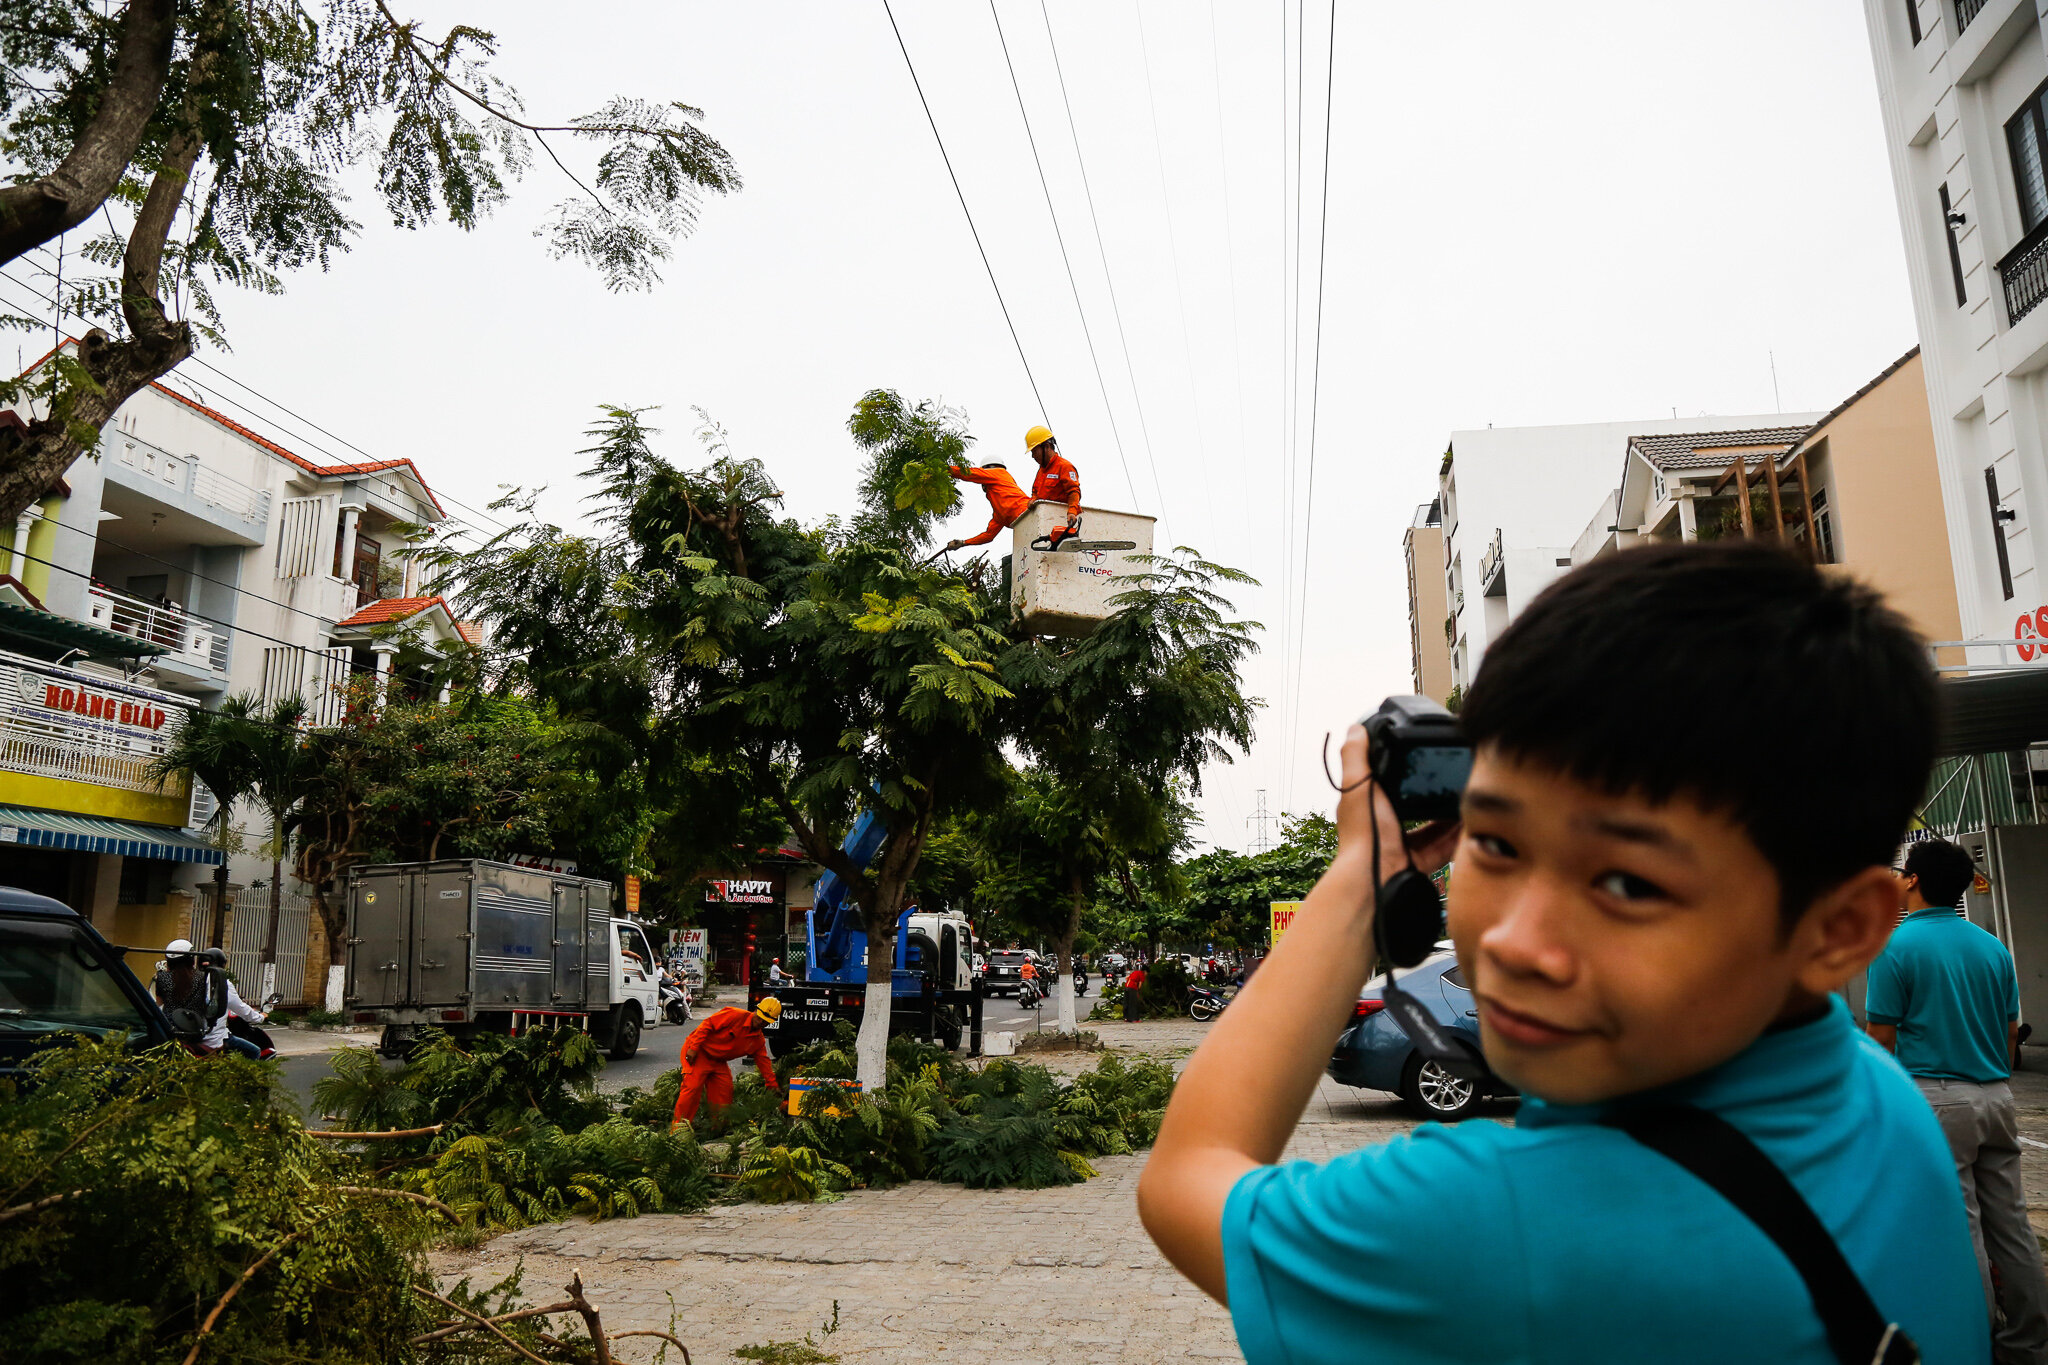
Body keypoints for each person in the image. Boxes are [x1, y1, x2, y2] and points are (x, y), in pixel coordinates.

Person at [1136, 541, 1985, 1363]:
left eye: (1625, 884)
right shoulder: (1883, 1105)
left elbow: (1186, 1179)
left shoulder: (1504, 1219)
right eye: (1497, 846)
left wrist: (1361, 874)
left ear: (1837, 930)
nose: (1512, 941)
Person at [1868, 837, 2048, 1362]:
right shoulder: (1993, 948)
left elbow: (1881, 1040)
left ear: (1914, 881)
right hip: (1996, 1094)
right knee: (2011, 1225)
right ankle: (2029, 1344)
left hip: (1936, 1100)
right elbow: (2011, 1032)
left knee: (1960, 1224)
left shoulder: (1895, 948)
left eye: (1903, 874)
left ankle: (1972, 1340)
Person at [672, 997, 783, 1127]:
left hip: (718, 1061)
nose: (760, 1022)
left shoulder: (758, 1041)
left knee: (724, 1093)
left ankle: (717, 1128)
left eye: (765, 1022)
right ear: (756, 1010)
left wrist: (773, 1085)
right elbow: (707, 1024)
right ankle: (678, 1129)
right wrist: (694, 1048)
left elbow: (764, 1063)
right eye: (759, 1017)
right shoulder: (734, 1014)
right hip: (699, 1053)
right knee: (692, 1089)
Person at [153, 938, 230, 1056]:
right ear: (191, 959)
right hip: (194, 1031)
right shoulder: (203, 977)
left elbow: (158, 1003)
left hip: (168, 1030)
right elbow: (208, 1002)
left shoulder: (161, 978)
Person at [202, 946, 276, 1060]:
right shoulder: (223, 984)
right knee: (255, 1052)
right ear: (222, 965)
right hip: (214, 1038)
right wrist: (260, 1017)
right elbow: (241, 1008)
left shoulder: (194, 980)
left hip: (196, 1036)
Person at [942, 461, 1031, 552]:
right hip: (1027, 524)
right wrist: (963, 542)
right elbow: (988, 536)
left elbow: (971, 473)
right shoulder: (1000, 514)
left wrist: (945, 469)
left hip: (1029, 512)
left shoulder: (998, 473)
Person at [1024, 424, 1082, 549]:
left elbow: (1073, 491)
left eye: (1034, 451)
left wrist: (1072, 511)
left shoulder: (1064, 466)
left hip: (1063, 522)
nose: (1033, 456)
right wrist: (1033, 499)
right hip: (1045, 524)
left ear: (1046, 447)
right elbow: (1035, 491)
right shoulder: (1041, 472)